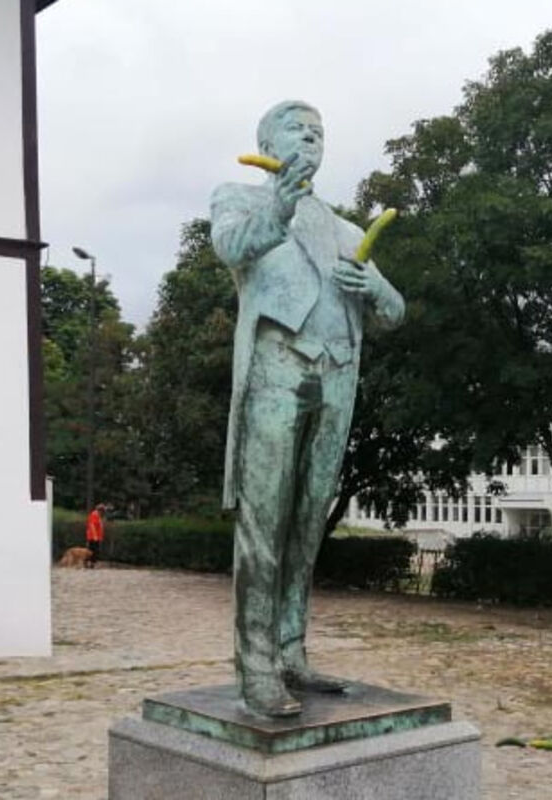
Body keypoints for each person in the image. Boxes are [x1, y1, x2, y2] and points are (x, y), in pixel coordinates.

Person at [211, 100, 405, 717]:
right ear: (268, 142)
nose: (311, 138)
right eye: (298, 129)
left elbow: (395, 311)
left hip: (336, 376)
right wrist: (280, 204)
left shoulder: (345, 229)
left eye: (319, 131)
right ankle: (257, 667)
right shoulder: (239, 198)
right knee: (263, 525)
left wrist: (375, 288)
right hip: (276, 370)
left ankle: (291, 651)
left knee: (306, 525)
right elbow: (232, 248)